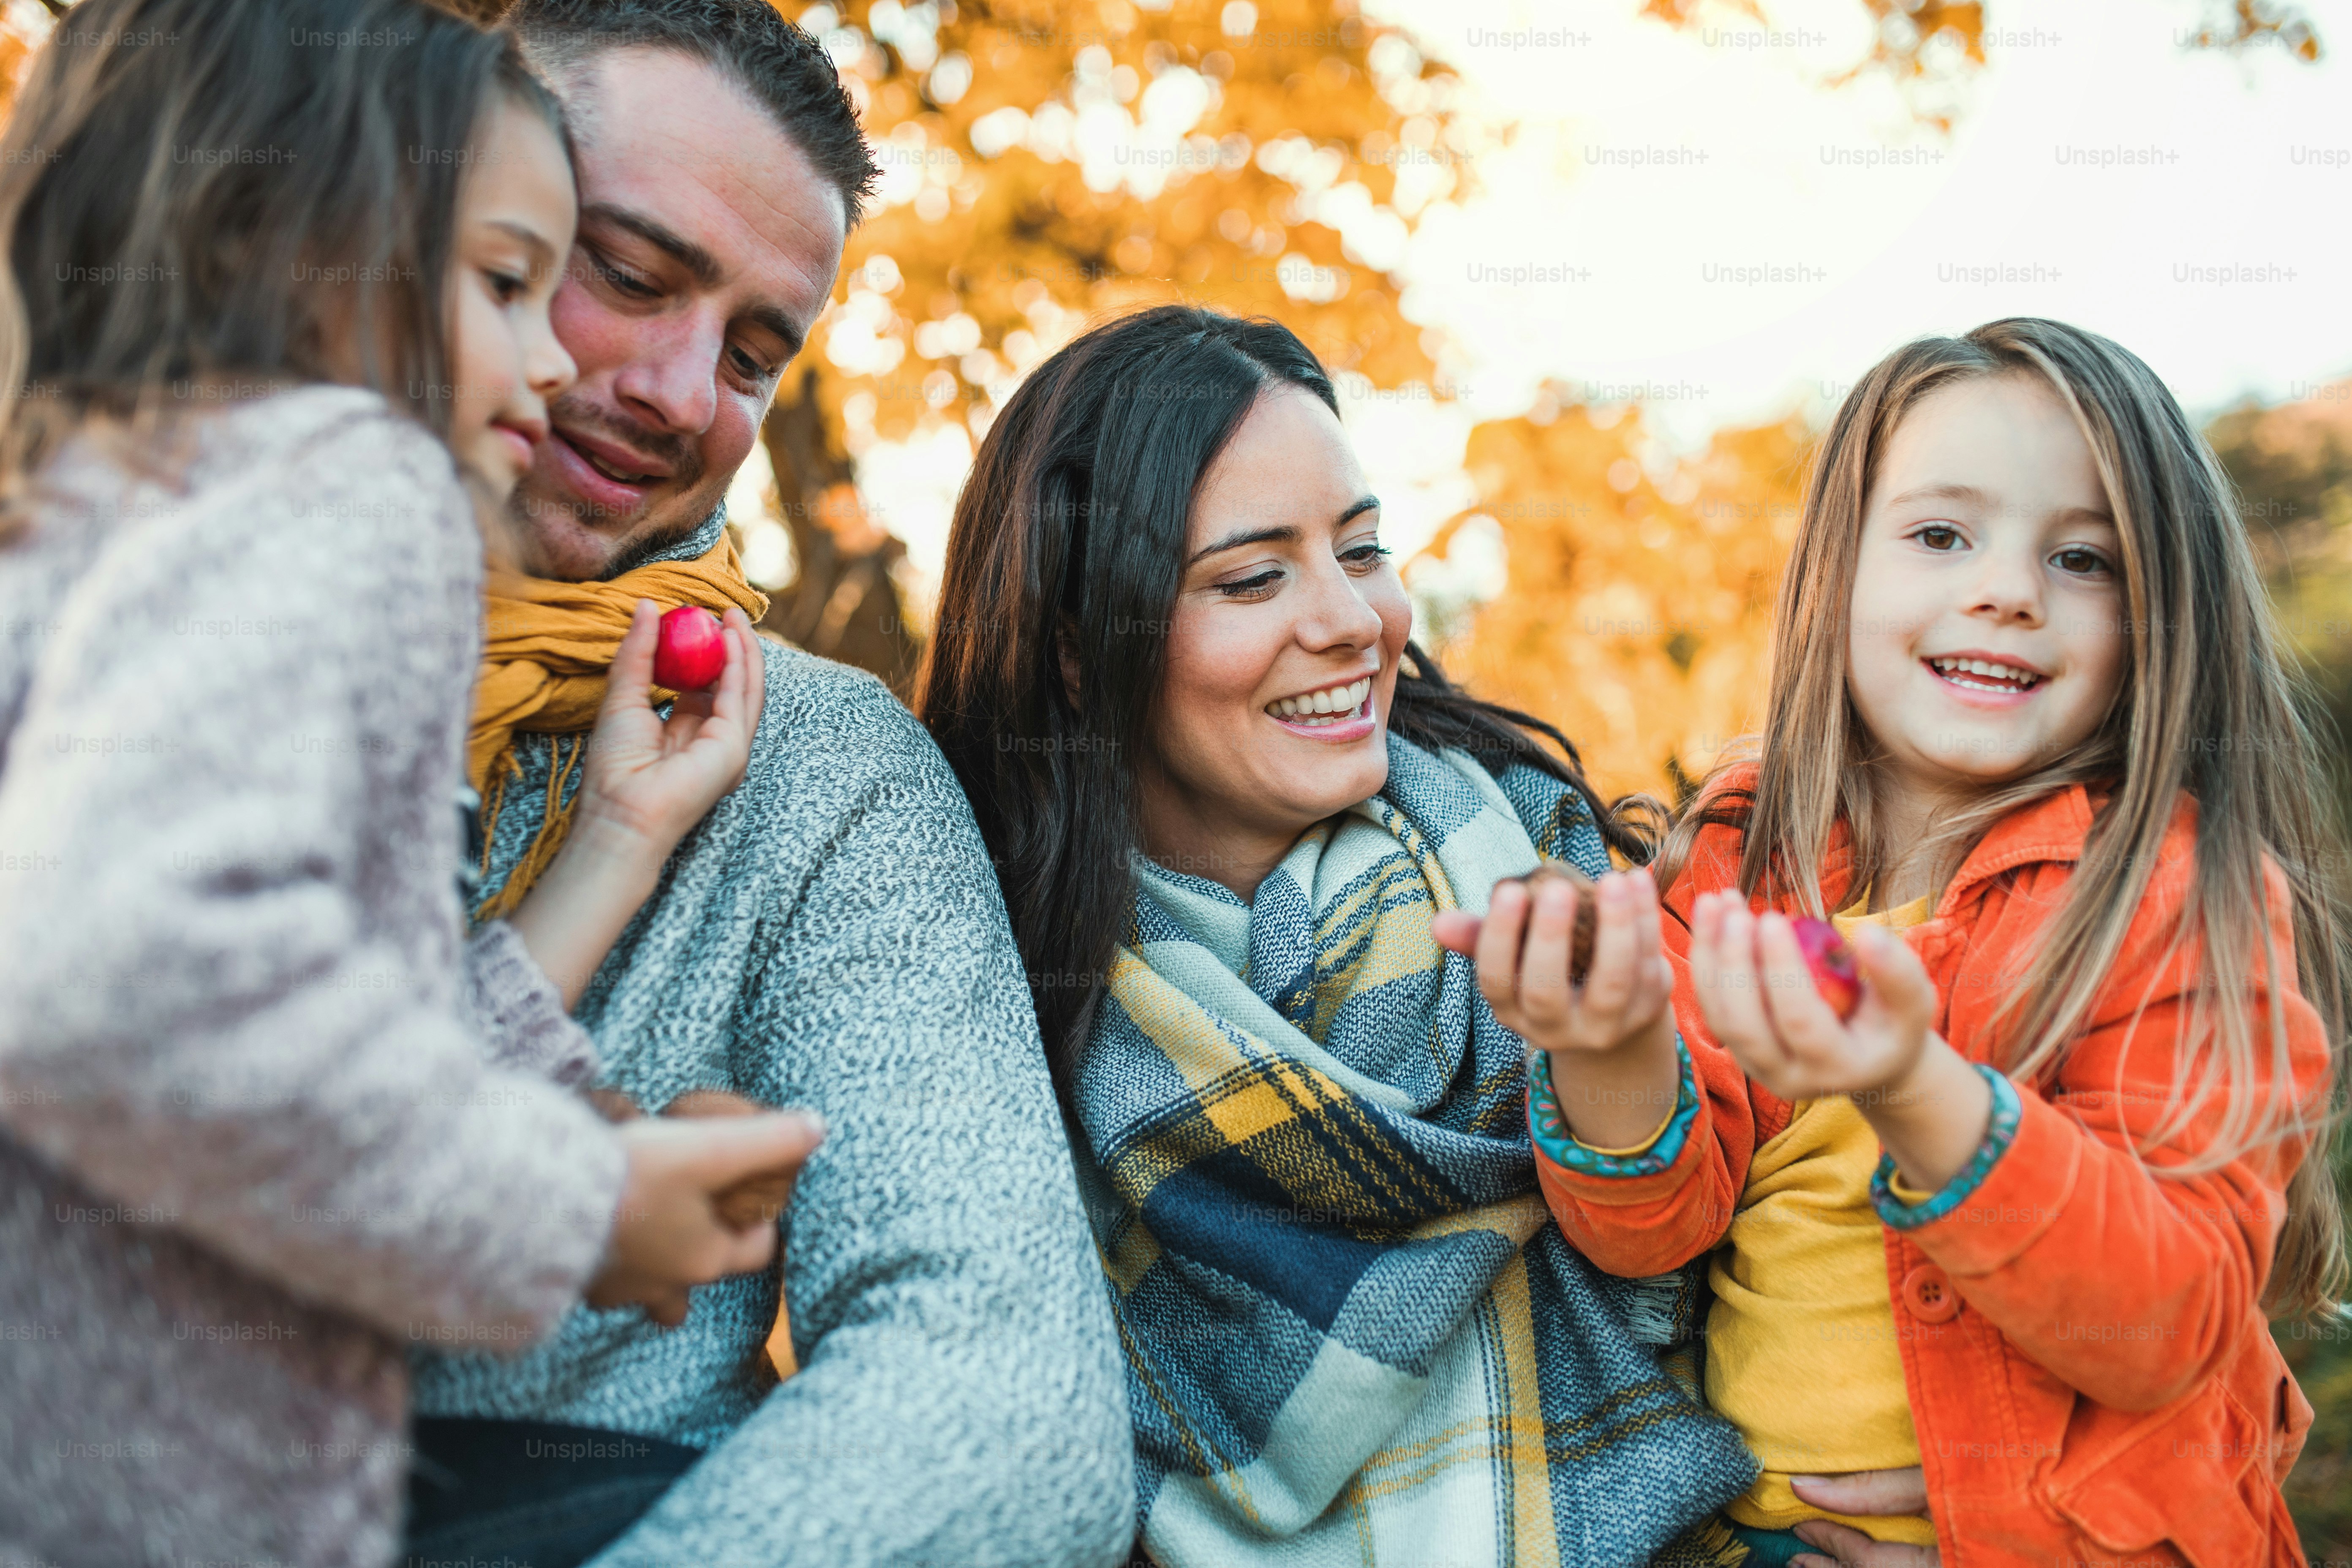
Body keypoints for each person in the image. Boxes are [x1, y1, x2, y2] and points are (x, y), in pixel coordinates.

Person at [0, 2, 819, 1565]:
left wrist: (617, 844)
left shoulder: (88, 505)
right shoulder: (359, 487)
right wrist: (577, 1203)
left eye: (759, 353)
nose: (543, 356)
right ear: (292, 252)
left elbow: (246, 1022)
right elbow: (112, 974)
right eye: (524, 280)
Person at [402, 4, 1134, 1565]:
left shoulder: (816, 773)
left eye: (752, 352)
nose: (681, 395)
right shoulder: (114, 640)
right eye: (630, 273)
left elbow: (1002, 1397)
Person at [1467, 318, 2345, 1565]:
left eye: (2084, 558)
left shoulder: (2176, 892)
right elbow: (1647, 1229)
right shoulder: (1738, 858)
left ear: (2161, 614)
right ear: (1841, 570)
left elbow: (2166, 1323)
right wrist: (1606, 1045)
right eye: (1942, 536)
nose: (2007, 589)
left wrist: (1911, 1085)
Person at [920, 304, 1760, 1567]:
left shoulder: (1543, 864)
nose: (1354, 620)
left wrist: (1616, 1047)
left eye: (1361, 550)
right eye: (1255, 578)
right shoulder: (993, 993)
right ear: (1083, 655)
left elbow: (1686, 1259)